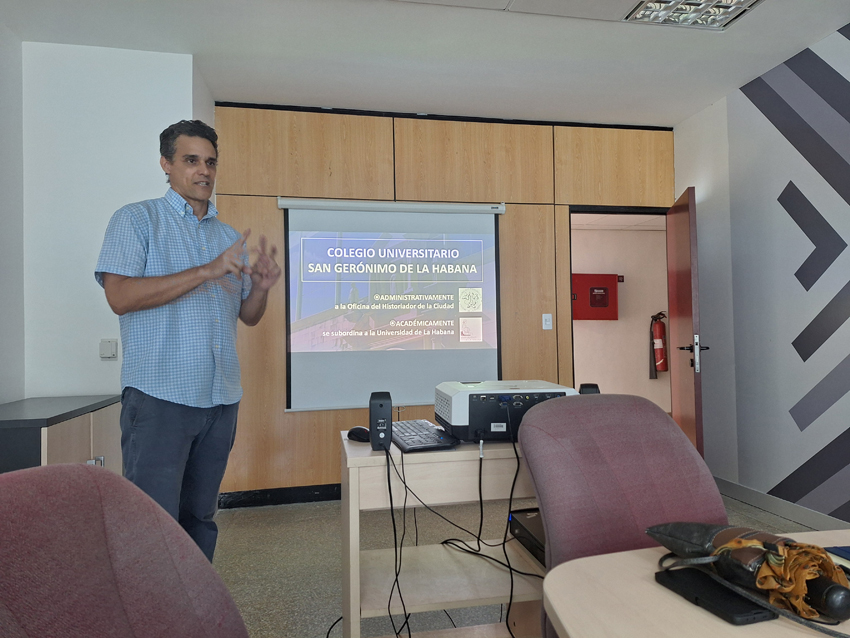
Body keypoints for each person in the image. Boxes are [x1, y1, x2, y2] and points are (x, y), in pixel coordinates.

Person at [95, 120, 281, 561]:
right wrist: (206, 271)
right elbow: (119, 297)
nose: (204, 171)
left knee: (200, 518)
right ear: (166, 164)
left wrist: (261, 289)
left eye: (211, 162)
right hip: (160, 398)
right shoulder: (136, 220)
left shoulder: (228, 237)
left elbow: (248, 316)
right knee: (153, 523)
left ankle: (196, 599)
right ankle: (153, 604)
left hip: (220, 399)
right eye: (191, 160)